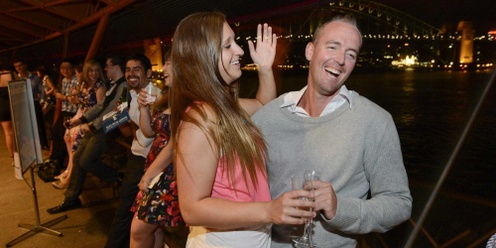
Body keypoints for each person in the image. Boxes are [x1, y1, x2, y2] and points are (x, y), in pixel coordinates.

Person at [251, 15, 413, 247]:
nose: (340, 60)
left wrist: (339, 208)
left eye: (351, 54)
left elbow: (399, 204)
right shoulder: (268, 118)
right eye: (332, 47)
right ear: (310, 51)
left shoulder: (374, 121)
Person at [169, 12, 315, 247]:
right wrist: (268, 210)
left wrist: (265, 68)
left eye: (235, 42)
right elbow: (192, 209)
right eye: (228, 46)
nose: (239, 50)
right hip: (224, 240)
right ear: (203, 56)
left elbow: (262, 106)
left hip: (248, 236)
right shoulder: (202, 117)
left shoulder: (222, 107)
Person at [47, 56, 128, 214]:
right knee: (78, 159)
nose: (105, 69)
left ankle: (118, 177)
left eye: (107, 66)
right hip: (97, 128)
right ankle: (71, 198)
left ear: (116, 67)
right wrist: (81, 121)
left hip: (105, 131)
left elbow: (118, 113)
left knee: (86, 160)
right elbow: (100, 107)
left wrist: (92, 125)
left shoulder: (123, 87)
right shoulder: (114, 85)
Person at [130, 52, 186, 248]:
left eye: (169, 63)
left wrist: (150, 174)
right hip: (156, 167)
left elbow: (175, 143)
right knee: (155, 227)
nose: (164, 68)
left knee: (138, 230)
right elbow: (148, 131)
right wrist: (143, 107)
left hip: (168, 172)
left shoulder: (187, 100)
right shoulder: (166, 96)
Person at [105, 54, 156, 248]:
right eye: (127, 69)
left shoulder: (154, 96)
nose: (130, 73)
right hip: (135, 157)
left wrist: (129, 123)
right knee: (131, 211)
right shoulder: (128, 93)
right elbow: (122, 127)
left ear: (148, 73)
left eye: (136, 69)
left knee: (125, 211)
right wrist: (120, 119)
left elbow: (147, 136)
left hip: (147, 162)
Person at [52, 60, 107, 189]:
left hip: (90, 122)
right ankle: (68, 172)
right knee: (69, 139)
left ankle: (70, 178)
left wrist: (87, 124)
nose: (94, 73)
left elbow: (100, 110)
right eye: (91, 71)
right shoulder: (85, 85)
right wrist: (74, 96)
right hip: (82, 118)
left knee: (75, 145)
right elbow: (80, 102)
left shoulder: (100, 86)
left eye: (96, 70)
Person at [50, 59, 79, 173]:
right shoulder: (63, 81)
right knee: (55, 132)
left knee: (62, 134)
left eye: (68, 68)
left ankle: (59, 161)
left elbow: (75, 100)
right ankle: (56, 159)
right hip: (64, 111)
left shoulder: (76, 81)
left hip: (73, 112)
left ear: (72, 69)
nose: (65, 70)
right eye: (62, 68)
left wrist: (63, 97)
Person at [13, 59, 49, 150]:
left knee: (39, 123)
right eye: (16, 66)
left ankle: (43, 143)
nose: (18, 68)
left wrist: (42, 100)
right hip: (21, 103)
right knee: (24, 124)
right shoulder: (15, 78)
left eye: (20, 65)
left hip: (34, 102)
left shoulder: (34, 78)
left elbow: (42, 89)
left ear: (25, 65)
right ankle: (29, 143)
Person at [0, 69, 14, 166]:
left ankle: (13, 157)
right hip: (14, 103)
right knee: (19, 132)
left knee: (8, 133)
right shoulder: (12, 74)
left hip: (2, 106)